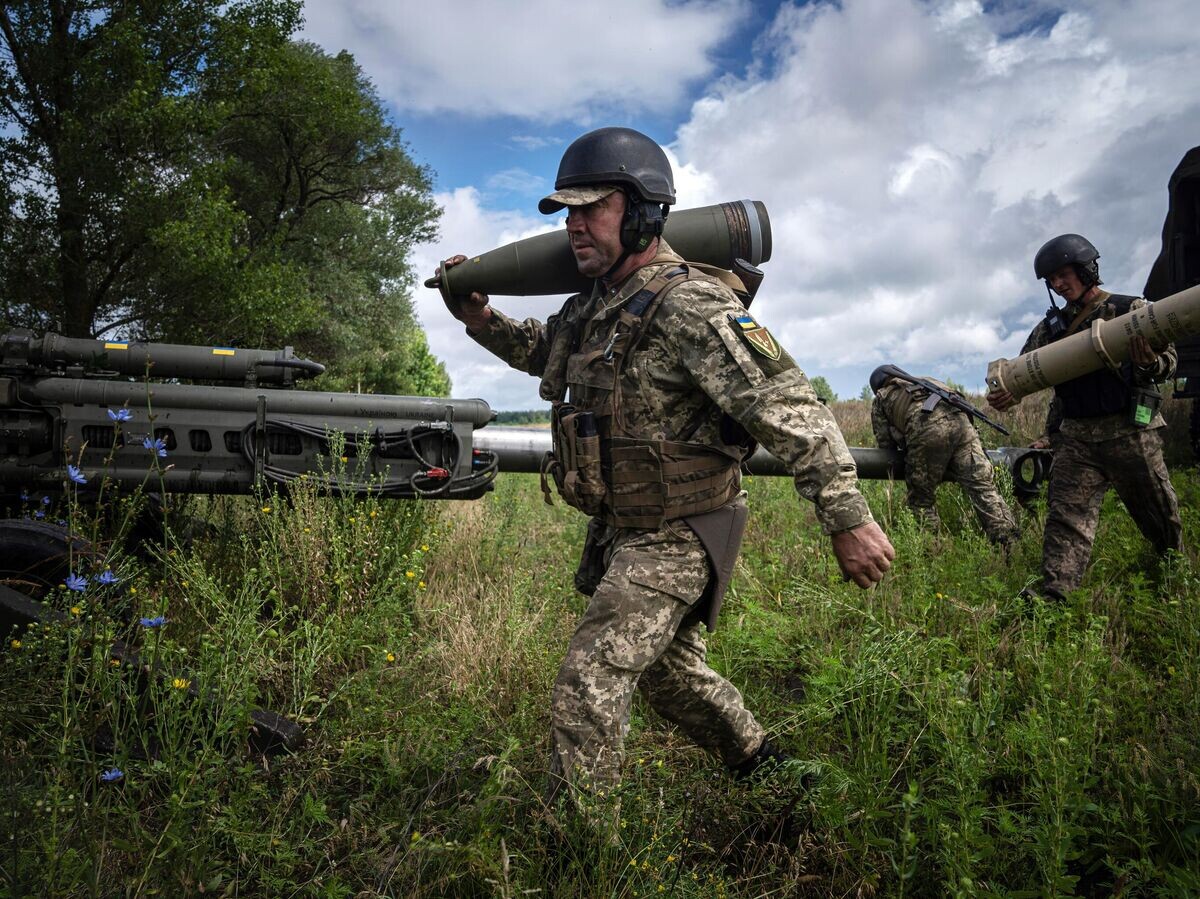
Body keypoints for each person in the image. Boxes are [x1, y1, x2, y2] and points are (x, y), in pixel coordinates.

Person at [433, 126, 894, 800]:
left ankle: (582, 847)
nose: (575, 226)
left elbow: (791, 407)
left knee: (589, 680)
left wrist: (847, 518)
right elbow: (544, 350)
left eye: (593, 208)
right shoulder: (594, 304)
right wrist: (479, 318)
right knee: (671, 678)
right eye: (567, 213)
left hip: (682, 530)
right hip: (623, 526)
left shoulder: (692, 303)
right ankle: (773, 774)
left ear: (644, 213)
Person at [986, 233, 1183, 599]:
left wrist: (1150, 363)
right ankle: (1054, 597)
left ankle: (1175, 575)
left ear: (1086, 269)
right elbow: (1024, 371)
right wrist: (1007, 391)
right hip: (1076, 438)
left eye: (1063, 275)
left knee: (1158, 512)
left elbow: (1169, 361)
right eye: (1052, 280)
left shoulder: (1129, 309)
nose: (1058, 285)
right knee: (1066, 518)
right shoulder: (1050, 330)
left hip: (1130, 431)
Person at [870, 368, 1017, 545]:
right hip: (963, 426)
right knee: (983, 489)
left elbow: (885, 444)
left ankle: (931, 550)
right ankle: (1009, 542)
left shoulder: (882, 396)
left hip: (928, 431)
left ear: (878, 385)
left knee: (921, 501)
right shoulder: (926, 380)